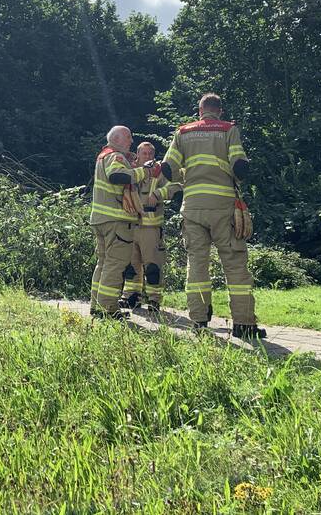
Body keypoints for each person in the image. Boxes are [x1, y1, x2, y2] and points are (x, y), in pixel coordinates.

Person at [162, 93, 266, 338]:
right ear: (219, 111)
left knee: (197, 264)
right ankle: (243, 324)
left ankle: (198, 321)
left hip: (192, 206)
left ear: (200, 111)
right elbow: (240, 166)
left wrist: (184, 178)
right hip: (223, 206)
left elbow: (167, 168)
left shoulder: (183, 132)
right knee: (234, 263)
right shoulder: (228, 130)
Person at [89, 125, 157, 319]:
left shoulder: (104, 155)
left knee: (103, 264)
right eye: (128, 137)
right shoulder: (116, 156)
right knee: (115, 265)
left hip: (101, 220)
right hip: (116, 221)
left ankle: (97, 306)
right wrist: (144, 172)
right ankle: (108, 309)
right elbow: (117, 176)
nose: (131, 141)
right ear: (117, 139)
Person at [120, 141, 182, 312]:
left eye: (150, 153)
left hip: (151, 227)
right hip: (131, 225)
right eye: (144, 153)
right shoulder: (131, 170)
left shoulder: (159, 171)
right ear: (138, 154)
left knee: (153, 266)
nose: (147, 156)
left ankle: (154, 299)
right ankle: (131, 296)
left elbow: (176, 185)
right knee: (131, 266)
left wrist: (158, 193)